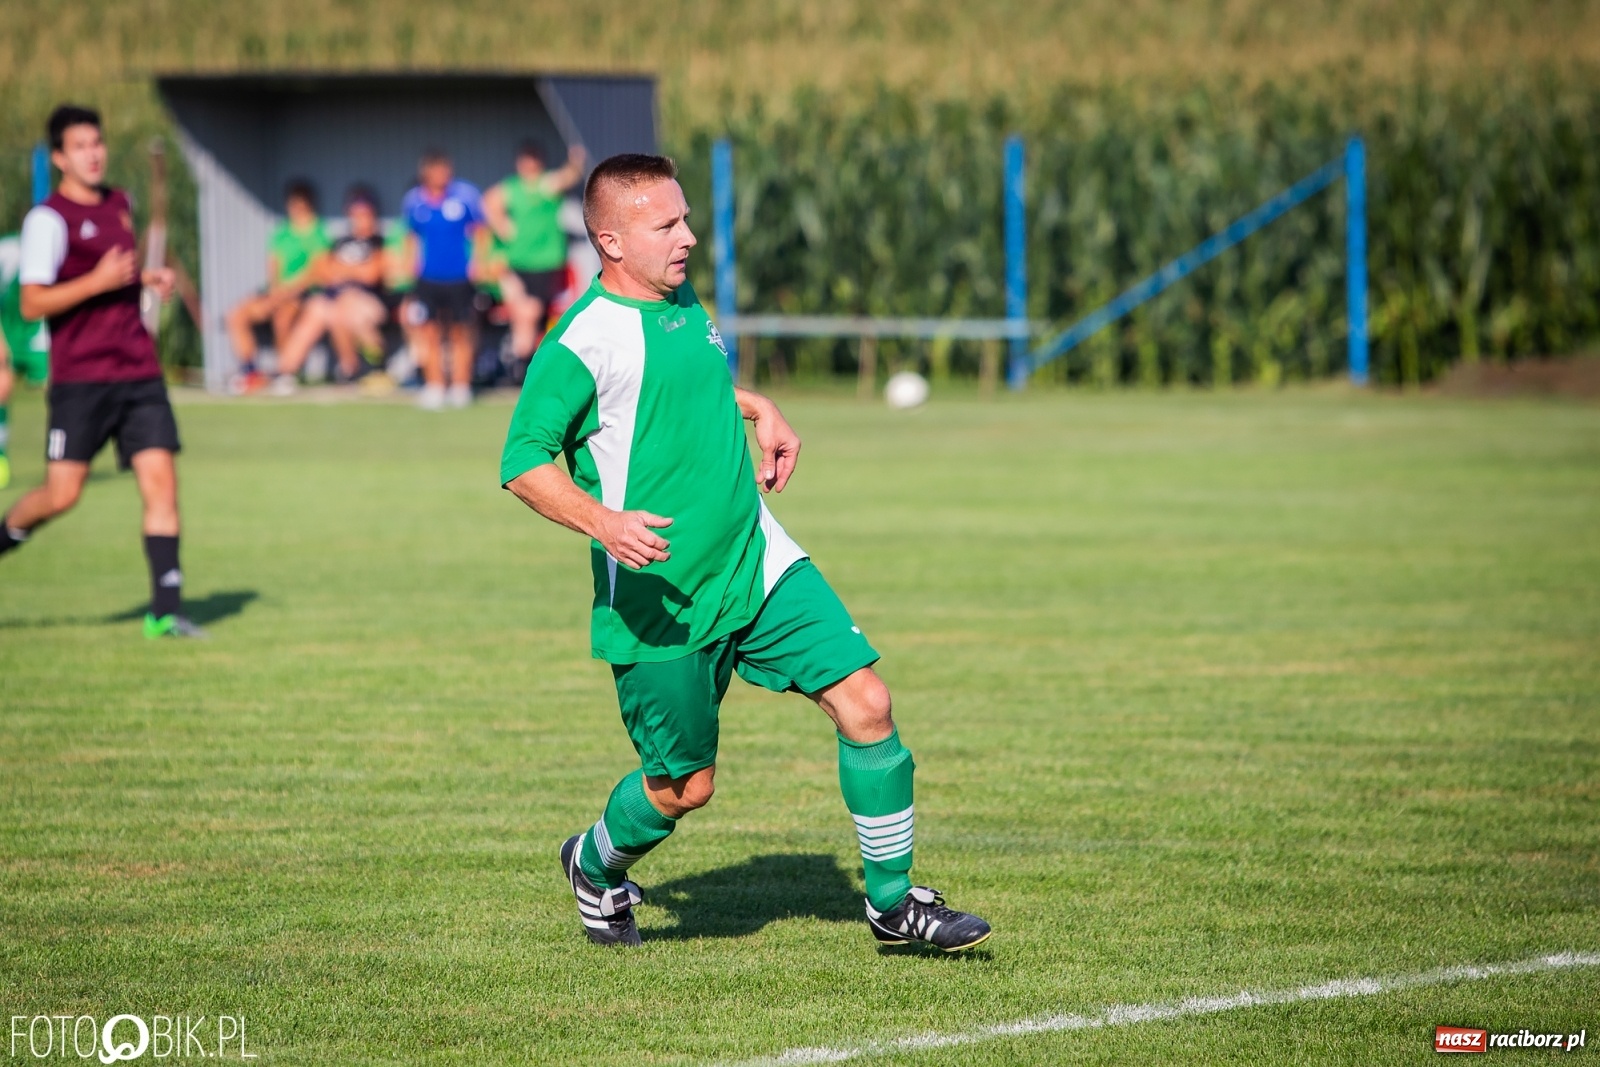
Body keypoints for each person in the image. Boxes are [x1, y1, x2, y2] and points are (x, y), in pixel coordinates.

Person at [500, 154, 991, 951]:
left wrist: (757, 406)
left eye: (685, 217)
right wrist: (603, 521)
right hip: (661, 596)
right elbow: (521, 460)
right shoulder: (579, 342)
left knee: (867, 702)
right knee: (684, 787)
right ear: (611, 241)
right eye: (667, 225)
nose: (688, 237)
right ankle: (594, 863)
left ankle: (894, 906)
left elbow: (681, 388)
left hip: (756, 558)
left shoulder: (680, 300)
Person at [0, 105, 203, 639]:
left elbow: (118, 277)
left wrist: (145, 278)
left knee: (162, 486)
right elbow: (31, 303)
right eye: (81, 146)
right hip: (81, 379)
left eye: (98, 142)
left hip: (138, 370)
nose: (93, 153)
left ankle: (166, 610)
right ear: (60, 157)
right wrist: (97, 279)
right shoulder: (47, 219)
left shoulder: (119, 203)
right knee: (62, 494)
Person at [269, 185, 389, 394]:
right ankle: (286, 371)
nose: (359, 218)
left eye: (364, 214)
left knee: (345, 307)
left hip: (366, 300)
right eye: (355, 213)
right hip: (336, 298)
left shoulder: (378, 241)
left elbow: (372, 273)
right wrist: (350, 270)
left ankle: (370, 367)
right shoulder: (340, 241)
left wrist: (342, 270)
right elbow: (323, 270)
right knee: (316, 308)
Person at [483, 140, 587, 364]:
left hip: (545, 264)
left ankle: (526, 361)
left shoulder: (545, 185)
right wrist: (502, 226)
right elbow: (489, 202)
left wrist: (576, 160)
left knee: (532, 315)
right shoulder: (511, 188)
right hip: (517, 263)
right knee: (524, 314)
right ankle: (522, 362)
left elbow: (568, 176)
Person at [400, 149, 487, 409]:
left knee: (462, 332)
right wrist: (409, 265)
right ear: (425, 173)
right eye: (437, 170)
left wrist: (479, 262)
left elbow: (480, 232)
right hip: (428, 278)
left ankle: (461, 386)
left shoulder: (465, 196)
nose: (442, 175)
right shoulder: (414, 201)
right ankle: (435, 385)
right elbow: (411, 236)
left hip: (460, 277)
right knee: (430, 333)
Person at [225, 179, 329, 393]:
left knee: (283, 316)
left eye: (300, 204)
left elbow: (316, 273)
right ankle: (250, 371)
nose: (295, 209)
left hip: (302, 293)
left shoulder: (317, 232)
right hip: (277, 292)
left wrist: (285, 293)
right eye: (292, 203)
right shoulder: (282, 232)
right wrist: (274, 293)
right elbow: (273, 267)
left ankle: (285, 373)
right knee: (236, 315)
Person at [0, 231, 53, 489]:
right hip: (7, 333)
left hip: (38, 336)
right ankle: (0, 458)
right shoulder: (7, 251)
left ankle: (67, 454)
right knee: (1, 388)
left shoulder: (55, 248)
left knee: (60, 391)